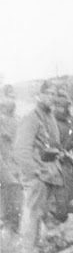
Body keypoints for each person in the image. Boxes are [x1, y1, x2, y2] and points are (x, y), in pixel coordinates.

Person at [15, 81, 63, 253]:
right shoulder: (31, 117)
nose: (51, 97)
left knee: (40, 215)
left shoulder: (49, 117)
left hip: (49, 174)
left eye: (54, 94)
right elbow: (21, 149)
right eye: (48, 93)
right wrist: (35, 172)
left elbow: (53, 144)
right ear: (39, 95)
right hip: (37, 176)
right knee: (32, 215)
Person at [52, 89, 73, 222]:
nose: (60, 110)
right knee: (58, 193)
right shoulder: (50, 121)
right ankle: (58, 219)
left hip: (68, 163)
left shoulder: (72, 121)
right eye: (57, 107)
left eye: (63, 107)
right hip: (53, 162)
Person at [0, 85, 21, 238]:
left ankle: (14, 223)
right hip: (4, 160)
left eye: (13, 97)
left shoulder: (18, 119)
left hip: (15, 161)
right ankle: (7, 223)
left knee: (16, 192)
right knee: (8, 189)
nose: (10, 101)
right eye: (8, 97)